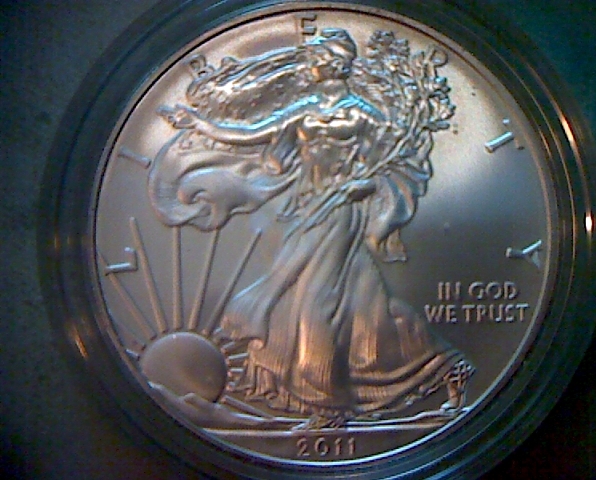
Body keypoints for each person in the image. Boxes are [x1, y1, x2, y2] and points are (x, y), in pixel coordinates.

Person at [153, 28, 473, 429]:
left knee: (315, 300)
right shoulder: (303, 110)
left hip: (341, 211)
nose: (311, 66)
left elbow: (391, 164)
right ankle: (444, 367)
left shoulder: (366, 116)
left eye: (317, 59)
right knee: (358, 302)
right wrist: (199, 123)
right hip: (306, 208)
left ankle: (327, 406)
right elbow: (250, 135)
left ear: (335, 64)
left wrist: (365, 185)